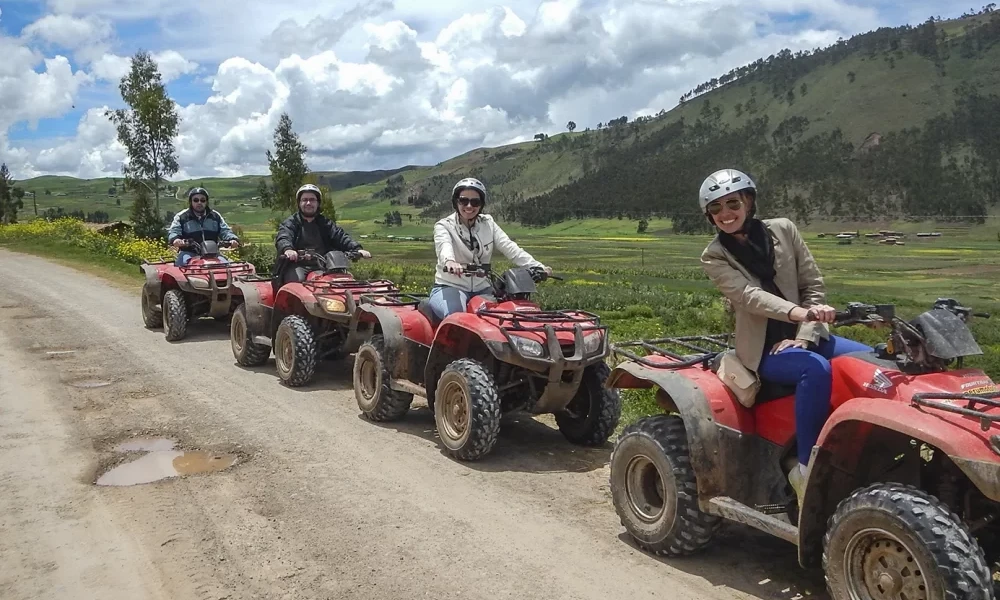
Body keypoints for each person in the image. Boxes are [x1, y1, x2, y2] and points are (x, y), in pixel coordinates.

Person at [697, 168, 872, 503]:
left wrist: (805, 334)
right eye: (715, 209)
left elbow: (812, 284)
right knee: (814, 369)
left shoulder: (784, 230)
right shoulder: (714, 256)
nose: (725, 214)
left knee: (869, 363)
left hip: (807, 335)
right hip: (763, 349)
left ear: (748, 201)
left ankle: (865, 446)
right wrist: (798, 313)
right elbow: (748, 295)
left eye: (732, 203)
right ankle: (806, 470)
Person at [430, 177, 551, 320]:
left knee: (501, 317)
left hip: (483, 289)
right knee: (457, 317)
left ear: (481, 204)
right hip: (450, 287)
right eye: (464, 200)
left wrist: (538, 267)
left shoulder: (488, 223)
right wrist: (449, 262)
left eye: (475, 202)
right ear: (456, 202)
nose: (469, 206)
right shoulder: (444, 226)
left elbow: (510, 247)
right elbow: (444, 246)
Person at [272, 184, 370, 290]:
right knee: (296, 285)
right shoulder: (291, 222)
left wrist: (357, 249)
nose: (308, 203)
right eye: (305, 200)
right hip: (297, 265)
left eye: (312, 200)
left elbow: (340, 236)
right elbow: (284, 236)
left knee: (344, 281)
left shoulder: (325, 223)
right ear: (299, 203)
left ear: (318, 203)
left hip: (324, 266)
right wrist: (288, 249)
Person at [167, 187, 240, 266]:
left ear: (206, 202)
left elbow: (225, 230)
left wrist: (232, 239)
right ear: (191, 202)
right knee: (182, 268)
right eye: (195, 200)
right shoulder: (182, 216)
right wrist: (175, 239)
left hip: (213, 254)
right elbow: (174, 231)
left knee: (227, 266)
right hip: (189, 252)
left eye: (202, 200)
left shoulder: (215, 216)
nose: (199, 202)